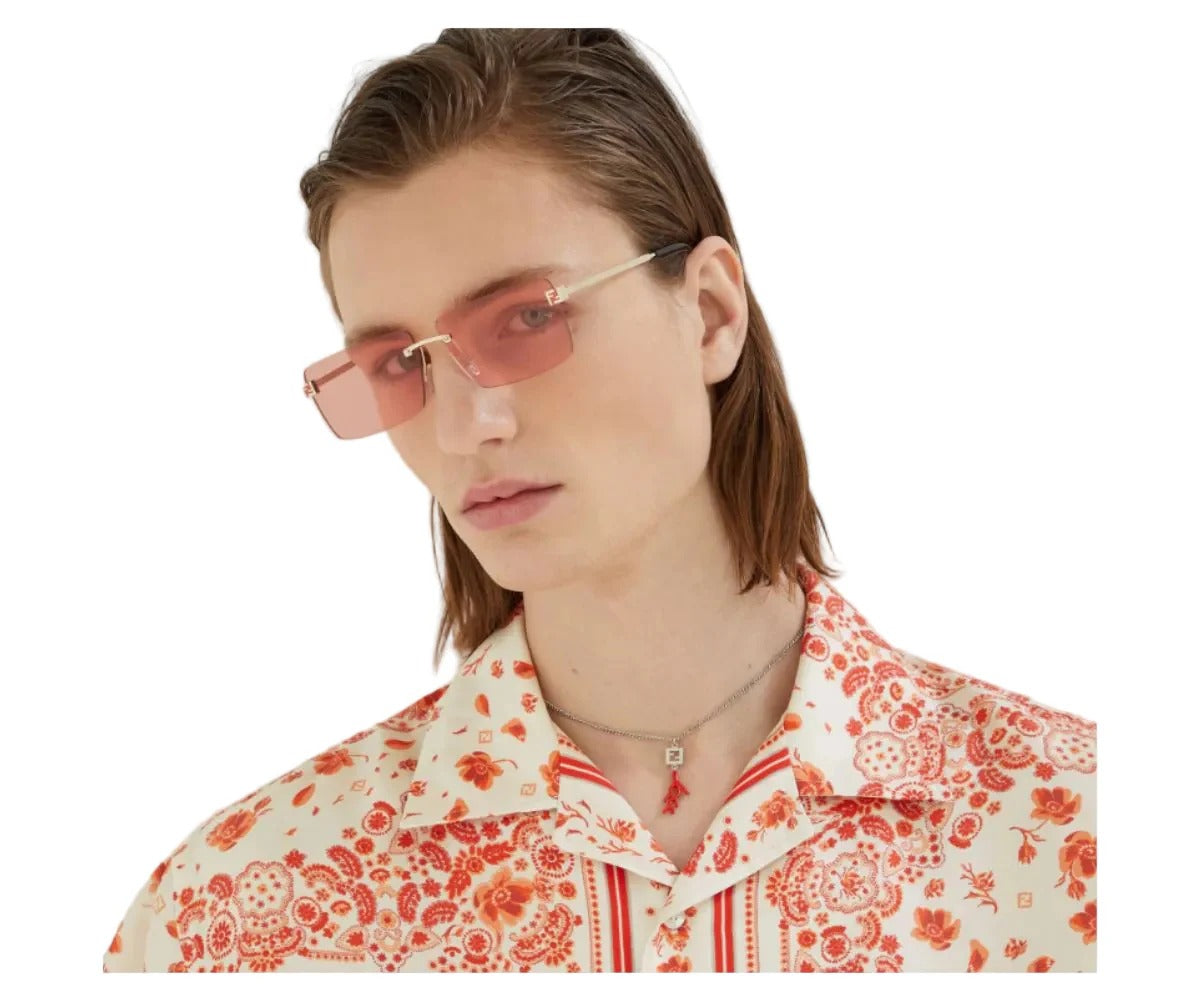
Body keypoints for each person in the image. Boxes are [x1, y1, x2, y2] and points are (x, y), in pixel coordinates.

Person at [103, 28, 1097, 973]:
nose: (465, 425)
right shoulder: (232, 921)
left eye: (526, 318)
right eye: (400, 363)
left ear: (710, 312)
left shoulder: (1079, 843)